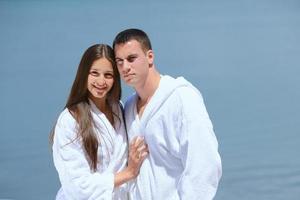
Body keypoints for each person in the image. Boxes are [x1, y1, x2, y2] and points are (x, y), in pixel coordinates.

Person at [113, 29, 222, 200]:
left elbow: (205, 165)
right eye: (119, 61)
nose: (125, 67)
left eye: (131, 59)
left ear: (150, 57)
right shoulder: (128, 108)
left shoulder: (182, 98)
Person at [50, 44, 148, 200]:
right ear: (84, 74)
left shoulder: (118, 109)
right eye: (94, 73)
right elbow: (78, 186)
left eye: (108, 75)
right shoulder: (69, 120)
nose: (101, 81)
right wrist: (129, 173)